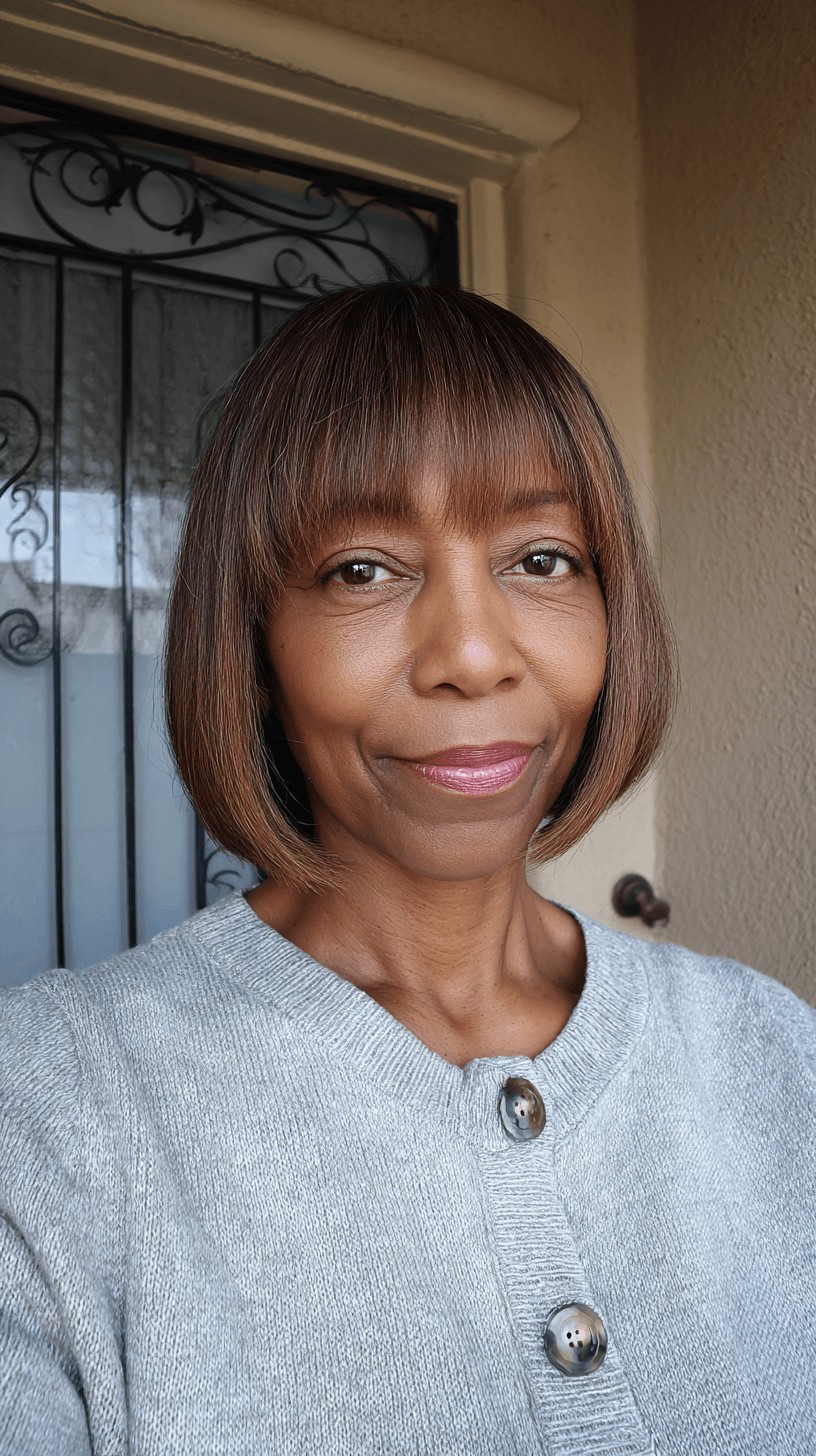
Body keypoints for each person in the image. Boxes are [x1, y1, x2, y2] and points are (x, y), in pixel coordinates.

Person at [0, 282, 813, 1456]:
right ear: (255, 640)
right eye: (362, 571)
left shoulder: (775, 1055)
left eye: (542, 557)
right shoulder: (49, 1118)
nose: (474, 656)